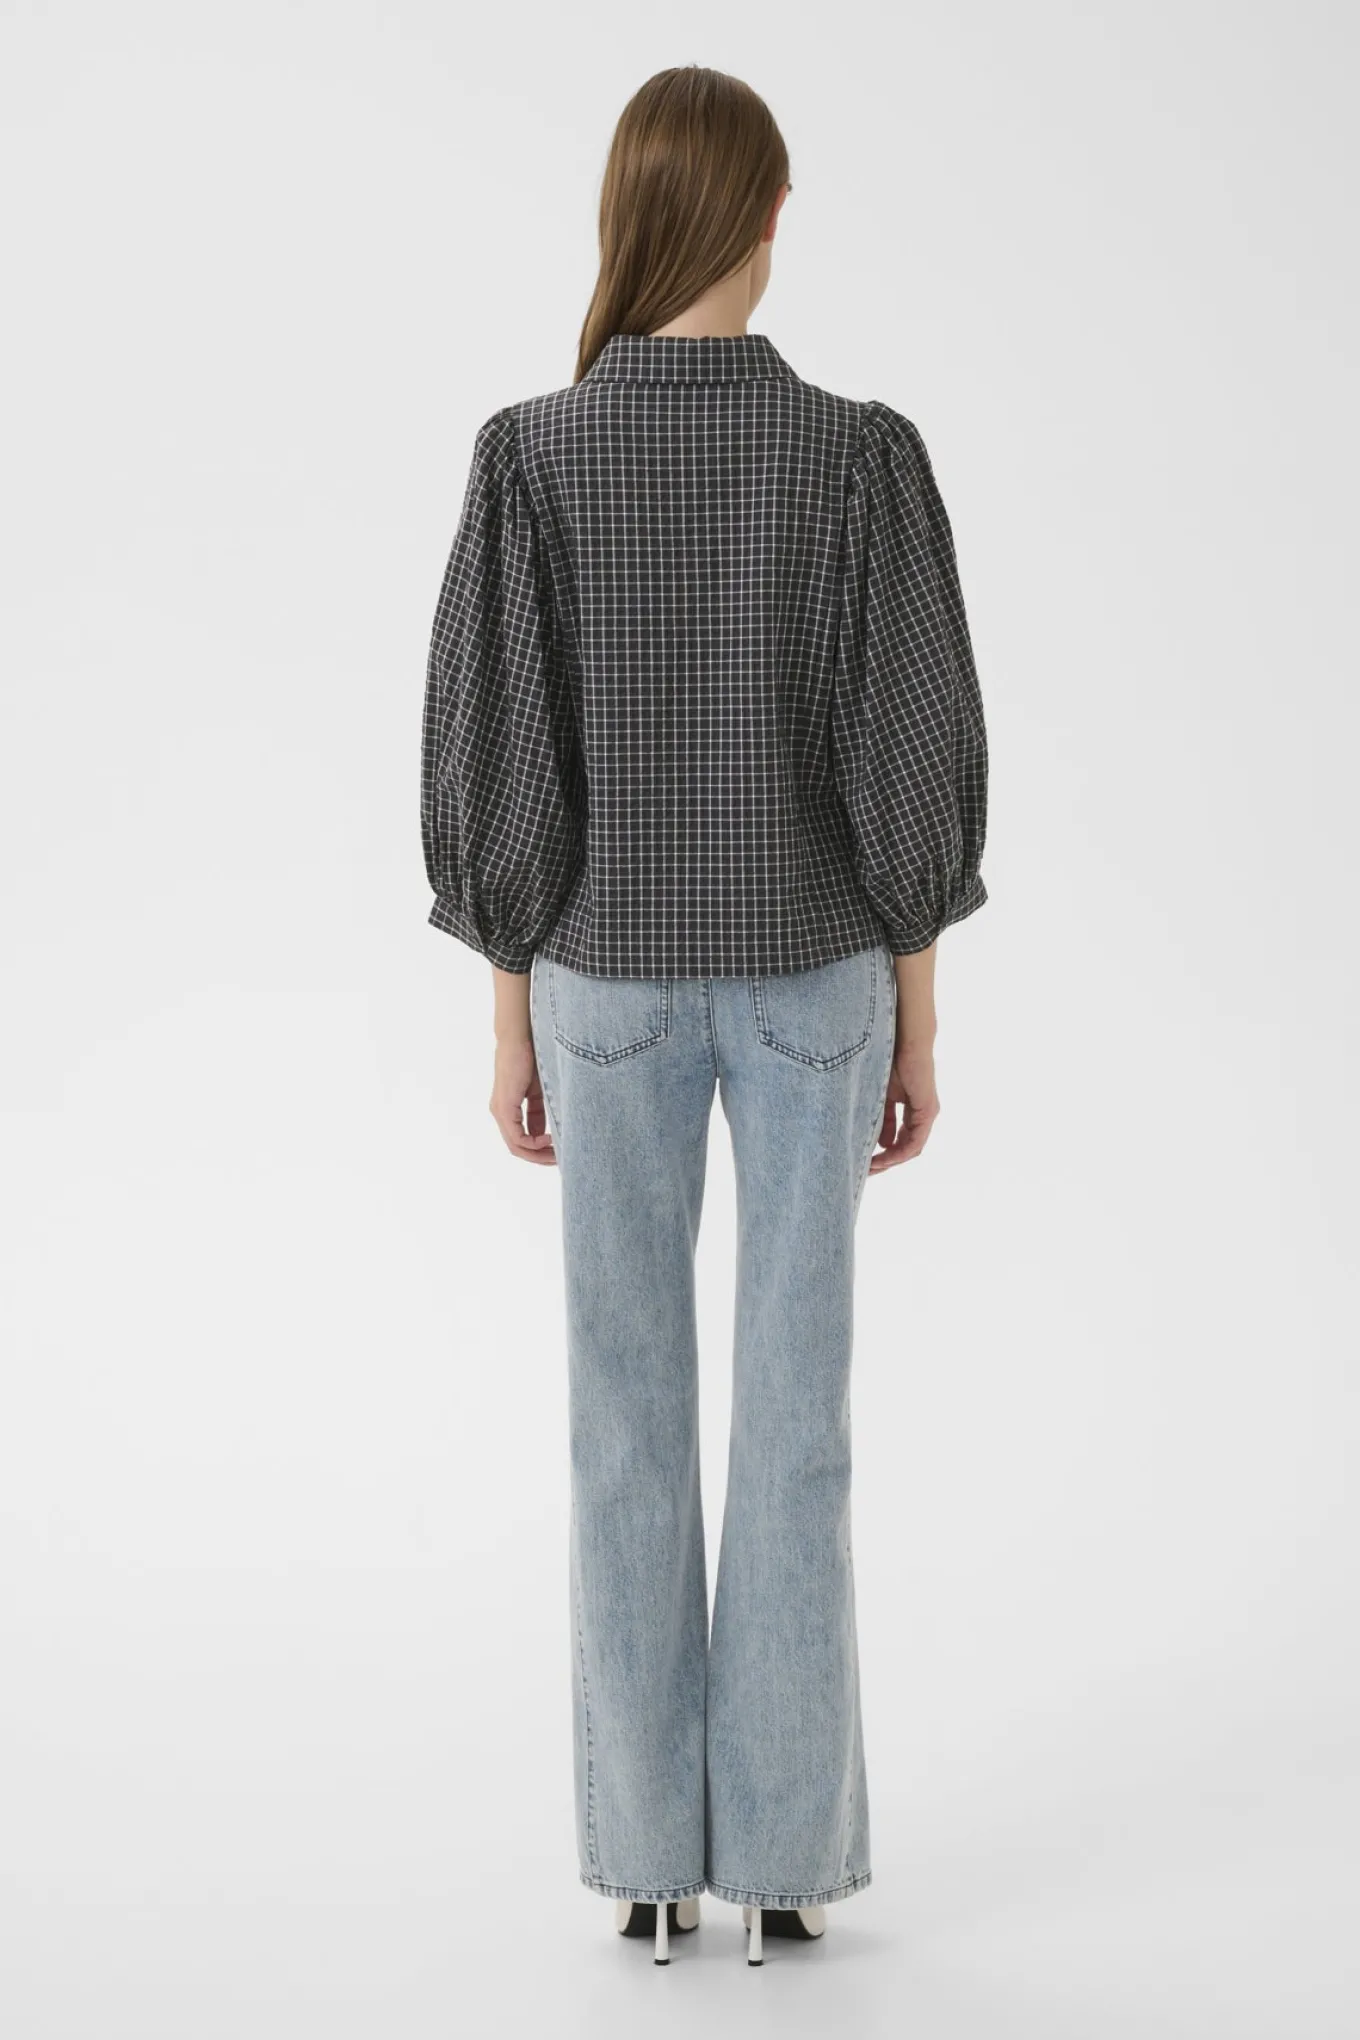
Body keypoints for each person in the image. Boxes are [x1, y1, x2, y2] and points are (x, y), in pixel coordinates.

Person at [420, 64, 988, 1968]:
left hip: (602, 980)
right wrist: (920, 1020)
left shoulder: (532, 455)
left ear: (628, 219)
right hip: (820, 976)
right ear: (765, 218)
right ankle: (789, 1866)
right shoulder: (857, 456)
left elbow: (502, 757)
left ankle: (650, 1860)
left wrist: (509, 1015)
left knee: (624, 1414)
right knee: (795, 1415)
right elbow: (909, 756)